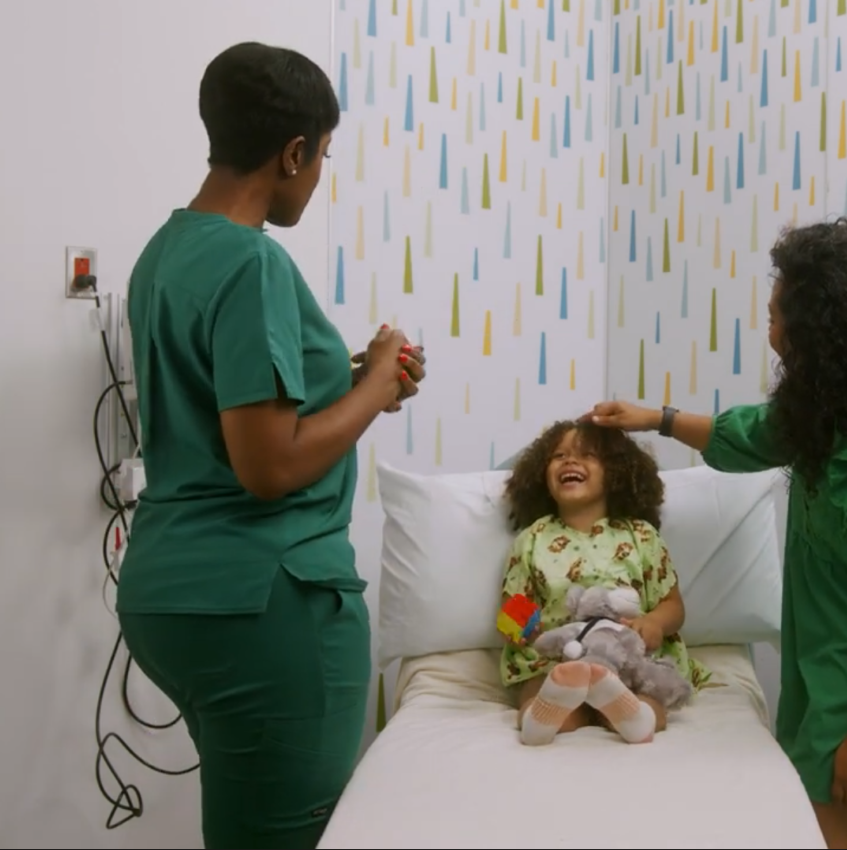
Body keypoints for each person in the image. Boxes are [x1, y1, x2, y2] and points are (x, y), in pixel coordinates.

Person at [585, 218, 847, 850]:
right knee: (819, 819)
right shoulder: (840, 409)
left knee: (824, 823)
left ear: (825, 336)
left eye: (779, 316)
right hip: (838, 660)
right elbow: (756, 434)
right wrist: (659, 418)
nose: (770, 329)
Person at [115, 42, 426, 850]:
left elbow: (226, 406)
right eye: (322, 156)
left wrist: (352, 378)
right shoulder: (252, 261)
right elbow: (270, 465)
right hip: (263, 604)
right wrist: (377, 383)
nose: (318, 176)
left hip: (170, 592)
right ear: (293, 152)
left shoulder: (167, 251)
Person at [497, 421, 713, 746]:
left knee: (650, 696)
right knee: (542, 686)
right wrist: (527, 630)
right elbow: (513, 607)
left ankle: (635, 715)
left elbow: (672, 605)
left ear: (615, 472)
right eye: (559, 456)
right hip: (560, 656)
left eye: (587, 455)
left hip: (628, 656)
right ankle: (541, 719)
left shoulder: (640, 536)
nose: (570, 461)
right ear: (542, 475)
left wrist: (653, 622)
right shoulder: (533, 538)